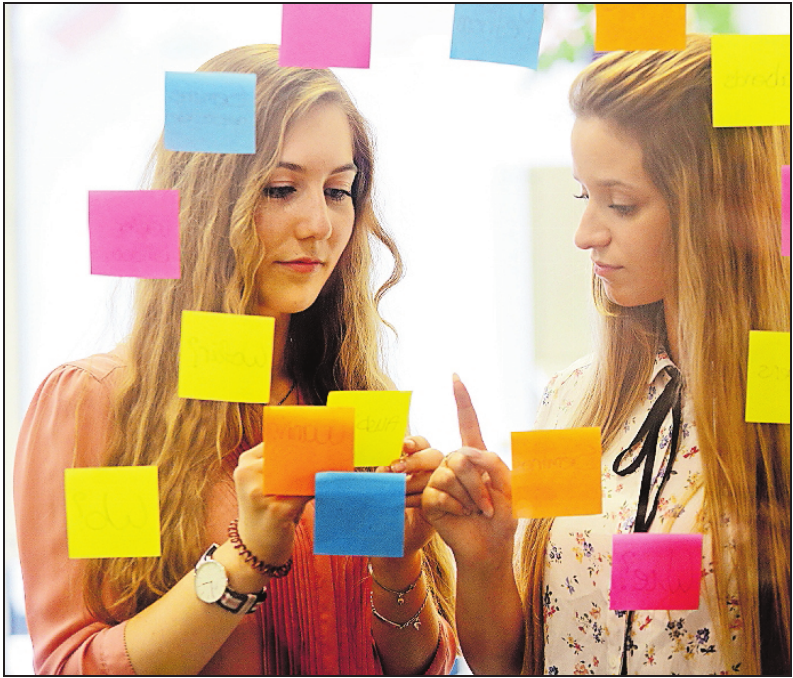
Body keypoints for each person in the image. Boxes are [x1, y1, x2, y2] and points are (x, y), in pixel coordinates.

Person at [14, 44, 457, 675]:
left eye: (338, 190)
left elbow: (418, 667)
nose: (319, 224)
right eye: (281, 188)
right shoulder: (104, 405)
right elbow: (76, 662)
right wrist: (245, 557)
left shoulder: (351, 402)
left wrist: (398, 563)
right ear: (202, 203)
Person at [423, 35, 790, 675]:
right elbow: (510, 663)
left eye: (620, 204)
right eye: (582, 195)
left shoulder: (776, 404)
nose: (585, 233)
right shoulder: (574, 398)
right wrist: (485, 557)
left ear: (718, 210)